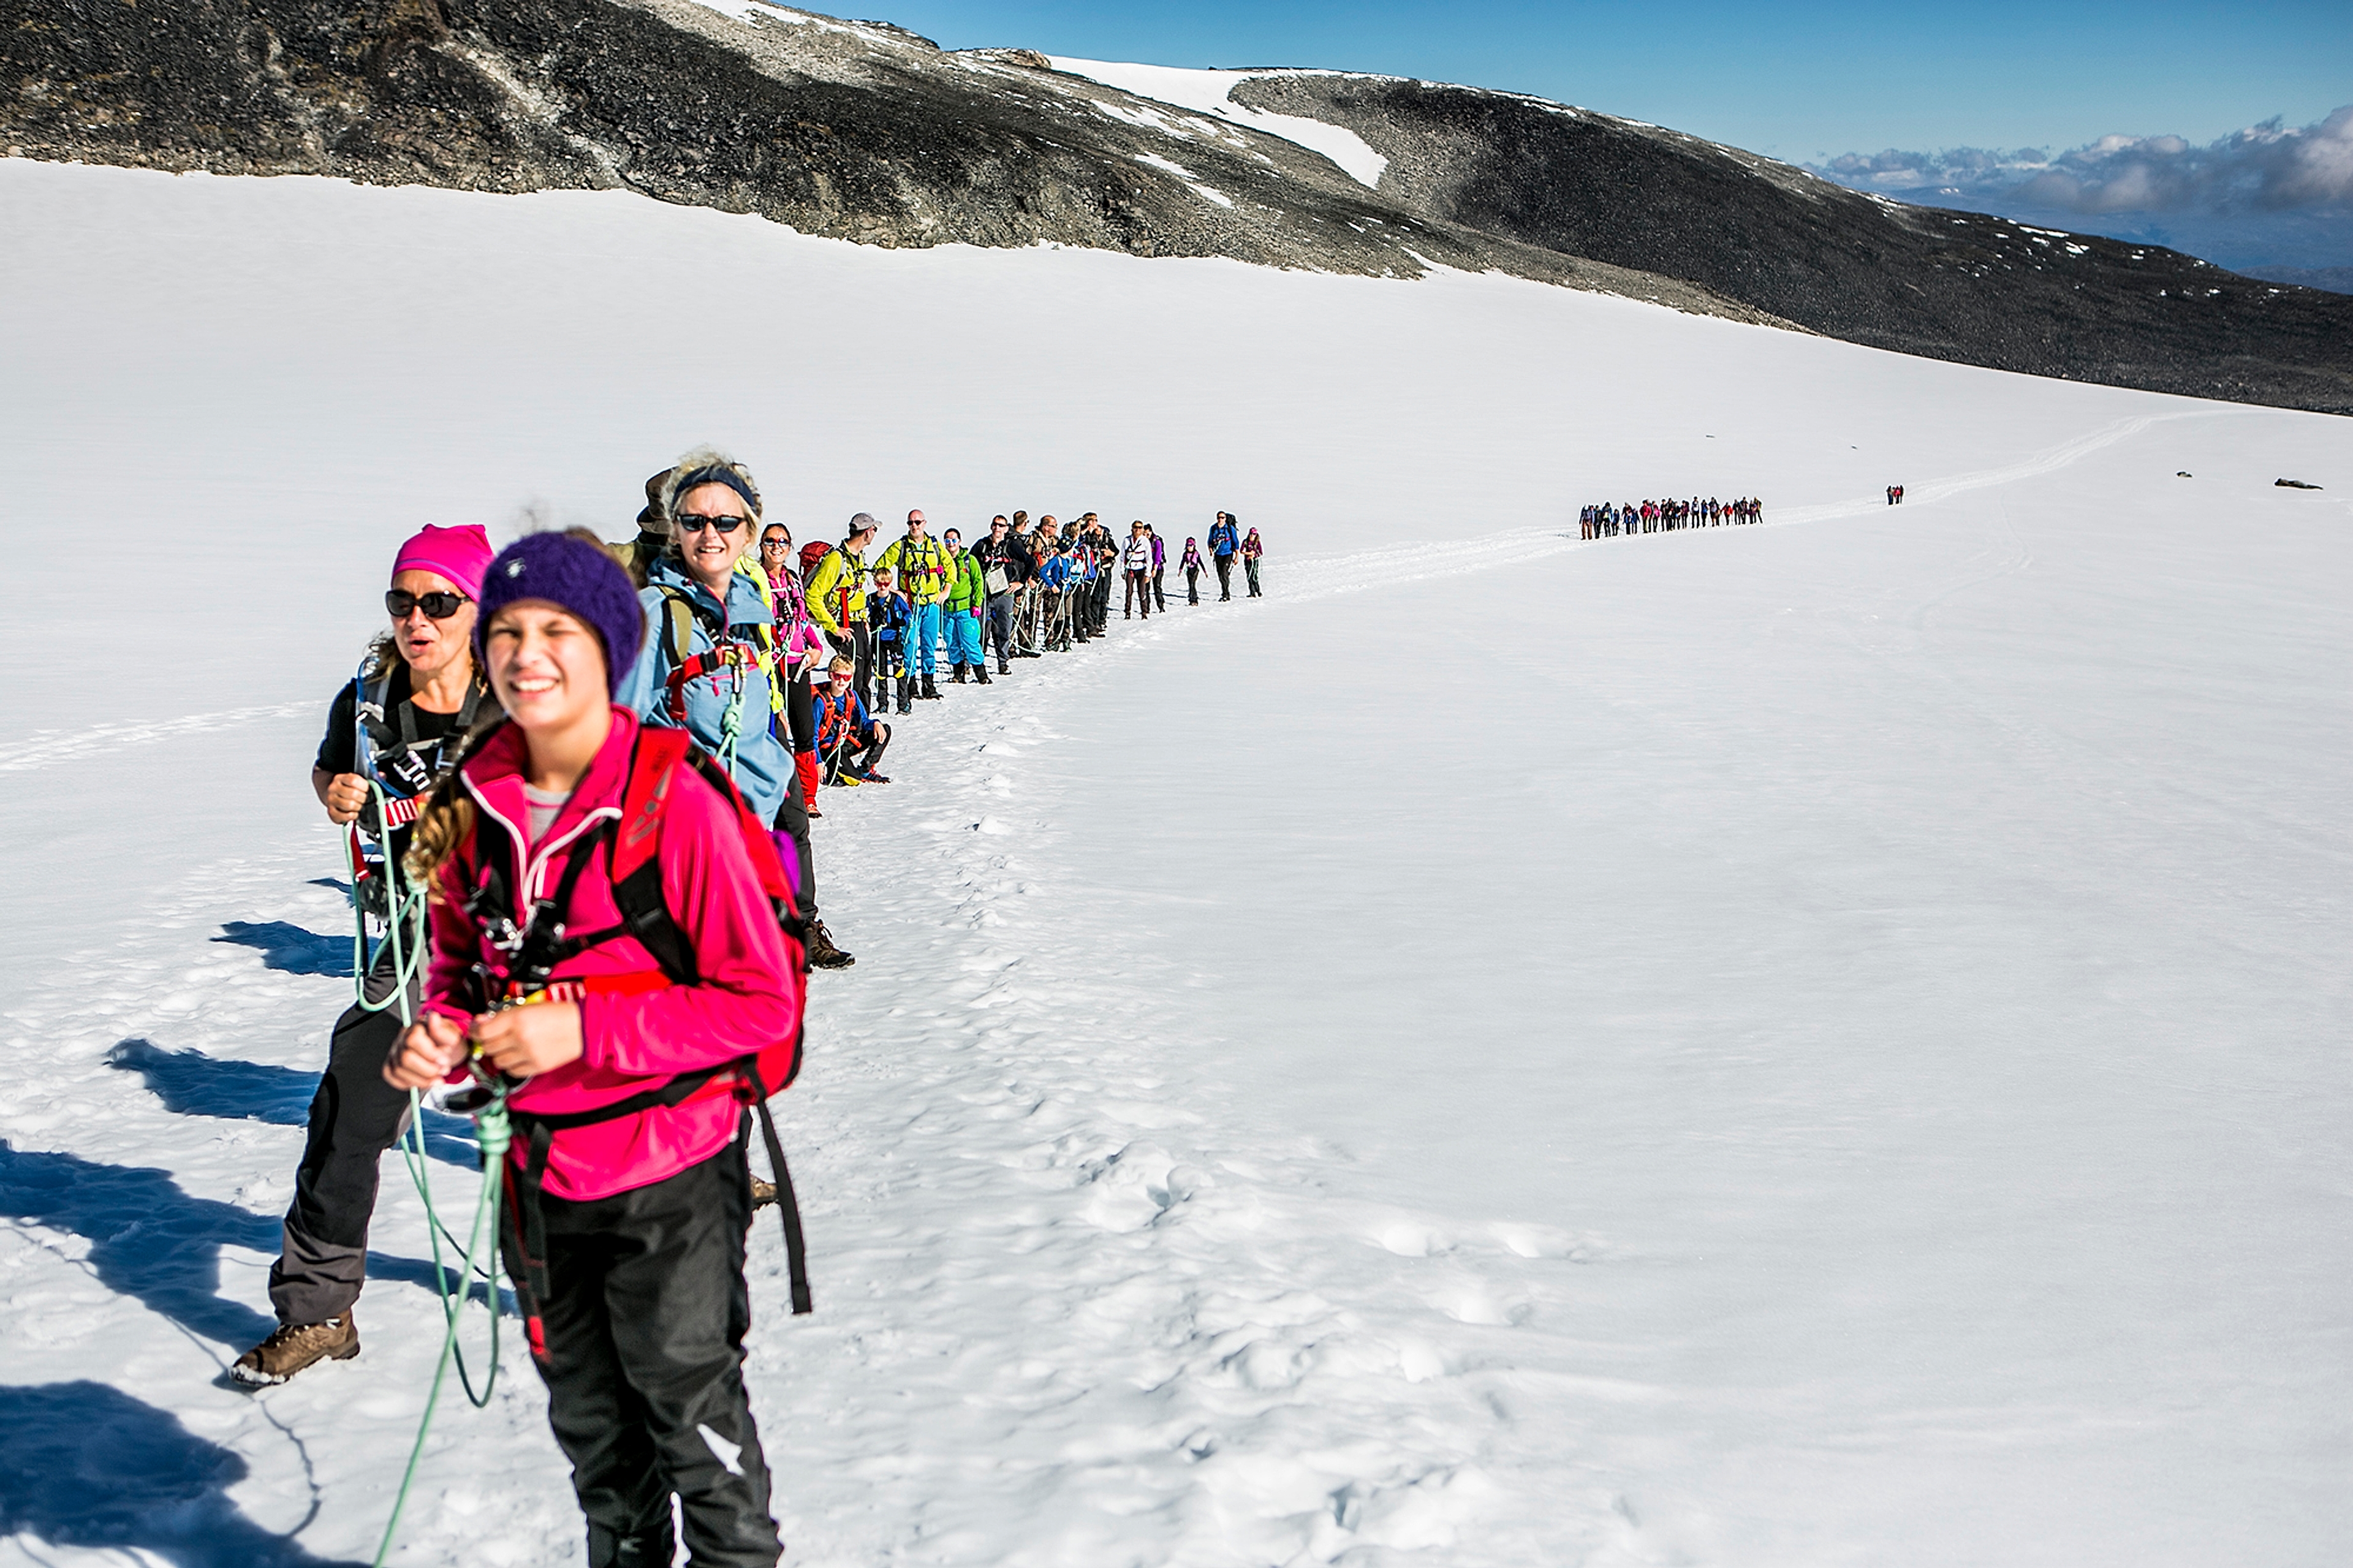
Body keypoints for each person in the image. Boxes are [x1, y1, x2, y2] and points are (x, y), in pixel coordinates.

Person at [387, 529, 799, 1568]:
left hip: (671, 1171)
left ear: (610, 647)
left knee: (693, 1425)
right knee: (595, 1438)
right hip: (540, 1176)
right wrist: (448, 1032)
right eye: (507, 631)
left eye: (557, 630)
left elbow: (759, 1006)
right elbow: (458, 963)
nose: (528, 653)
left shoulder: (676, 804)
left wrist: (583, 1027)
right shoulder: (470, 806)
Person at [233, 524, 499, 1385]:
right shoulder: (370, 698)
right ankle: (318, 1312)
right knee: (350, 1109)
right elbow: (327, 771)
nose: (417, 617)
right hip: (420, 931)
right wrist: (336, 793)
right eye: (402, 600)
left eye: (439, 601)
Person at [615, 447, 852, 970]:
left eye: (727, 520)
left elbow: (757, 649)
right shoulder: (657, 609)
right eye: (697, 521)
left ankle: (798, 925)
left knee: (792, 828)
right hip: (697, 805)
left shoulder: (742, 587)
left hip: (762, 725)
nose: (713, 534)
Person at [758, 521, 829, 822]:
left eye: (783, 542)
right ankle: (770, 795)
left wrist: (816, 648)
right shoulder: (754, 579)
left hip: (798, 665)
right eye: (771, 541)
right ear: (761, 545)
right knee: (771, 730)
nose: (777, 547)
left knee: (804, 732)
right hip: (768, 664)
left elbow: (801, 623)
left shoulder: (794, 581)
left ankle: (806, 797)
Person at [875, 510, 952, 700]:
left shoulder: (934, 546)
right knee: (909, 644)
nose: (914, 526)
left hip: (932, 603)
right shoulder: (901, 546)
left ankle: (929, 684)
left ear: (925, 523)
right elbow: (880, 567)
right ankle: (910, 685)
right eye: (911, 522)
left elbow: (950, 566)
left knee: (929, 644)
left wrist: (947, 589)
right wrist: (892, 590)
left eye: (917, 522)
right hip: (909, 605)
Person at [805, 515, 876, 711]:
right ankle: (847, 729)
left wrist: (863, 618)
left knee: (864, 676)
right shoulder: (837, 559)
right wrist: (833, 627)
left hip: (857, 624)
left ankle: (862, 725)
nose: (874, 534)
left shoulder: (859, 557)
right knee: (849, 679)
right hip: (844, 626)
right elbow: (813, 595)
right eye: (874, 530)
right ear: (867, 532)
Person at [813, 656, 891, 783]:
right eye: (838, 676)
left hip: (846, 742)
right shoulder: (821, 702)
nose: (842, 681)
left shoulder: (852, 695)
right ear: (830, 675)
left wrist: (876, 723)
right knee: (854, 780)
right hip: (829, 748)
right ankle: (838, 771)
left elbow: (864, 721)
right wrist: (817, 762)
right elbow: (813, 735)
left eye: (847, 677)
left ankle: (866, 769)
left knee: (884, 730)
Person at [974, 514, 1034, 672]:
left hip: (1005, 594)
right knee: (980, 629)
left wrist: (1021, 582)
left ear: (1007, 529)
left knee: (1004, 629)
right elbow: (970, 563)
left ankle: (1003, 662)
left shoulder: (1011, 546)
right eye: (995, 525)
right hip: (985, 594)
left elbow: (1030, 562)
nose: (997, 528)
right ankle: (977, 663)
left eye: (1001, 526)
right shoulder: (982, 545)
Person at [941, 526, 990, 684]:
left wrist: (977, 603)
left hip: (965, 609)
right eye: (948, 541)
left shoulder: (969, 561)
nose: (951, 544)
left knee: (970, 642)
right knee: (951, 642)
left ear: (960, 542)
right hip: (948, 610)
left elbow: (978, 582)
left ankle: (981, 674)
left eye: (954, 540)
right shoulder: (942, 561)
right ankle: (958, 673)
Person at [866, 565, 913, 714]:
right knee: (880, 673)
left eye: (886, 584)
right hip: (878, 640)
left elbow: (908, 613)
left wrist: (902, 621)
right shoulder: (871, 599)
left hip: (894, 640)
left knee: (899, 671)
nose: (883, 587)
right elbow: (863, 613)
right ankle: (882, 704)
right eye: (880, 584)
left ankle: (904, 704)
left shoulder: (896, 599)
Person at [1122, 521, 1154, 619]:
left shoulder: (1145, 541)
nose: (1138, 530)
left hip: (1141, 569)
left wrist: (1148, 573)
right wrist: (1122, 571)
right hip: (1130, 568)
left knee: (1142, 592)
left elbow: (1149, 558)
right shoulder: (1127, 540)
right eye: (1136, 528)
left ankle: (1144, 612)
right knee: (1129, 591)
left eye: (1140, 528)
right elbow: (1122, 556)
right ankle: (1127, 612)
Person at [1208, 512, 1240, 600]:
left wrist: (1237, 557)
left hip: (1228, 554)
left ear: (1225, 519)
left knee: (1224, 573)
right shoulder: (1214, 528)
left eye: (1222, 518)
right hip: (1218, 554)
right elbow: (1210, 541)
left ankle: (1226, 594)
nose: (1220, 520)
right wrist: (1210, 550)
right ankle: (1224, 591)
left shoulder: (1230, 529)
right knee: (1220, 575)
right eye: (1219, 517)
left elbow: (1236, 542)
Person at [1180, 536, 1205, 604]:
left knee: (1192, 584)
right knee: (1190, 584)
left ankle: (1194, 599)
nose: (1189, 547)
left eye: (1191, 545)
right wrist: (1180, 570)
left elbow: (1201, 562)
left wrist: (1205, 571)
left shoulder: (1196, 554)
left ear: (1194, 546)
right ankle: (1192, 597)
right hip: (1189, 570)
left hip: (1195, 570)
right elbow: (1182, 562)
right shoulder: (1185, 554)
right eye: (1188, 545)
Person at [1241, 526, 1265, 598]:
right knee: (1249, 577)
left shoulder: (1257, 543)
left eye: (1254, 534)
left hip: (1254, 561)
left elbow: (1261, 553)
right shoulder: (1246, 542)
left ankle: (1258, 591)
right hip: (1248, 561)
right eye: (1251, 534)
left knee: (1254, 576)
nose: (1252, 535)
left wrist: (1254, 554)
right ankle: (1252, 592)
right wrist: (1248, 554)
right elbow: (1242, 551)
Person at [1148, 525, 1167, 612]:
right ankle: (1146, 608)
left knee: (1157, 587)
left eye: (1148, 533)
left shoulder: (1157, 542)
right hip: (1146, 568)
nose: (1146, 535)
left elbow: (1158, 556)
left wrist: (1154, 568)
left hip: (1158, 568)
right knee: (1145, 589)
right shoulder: (1143, 542)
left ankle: (1161, 606)